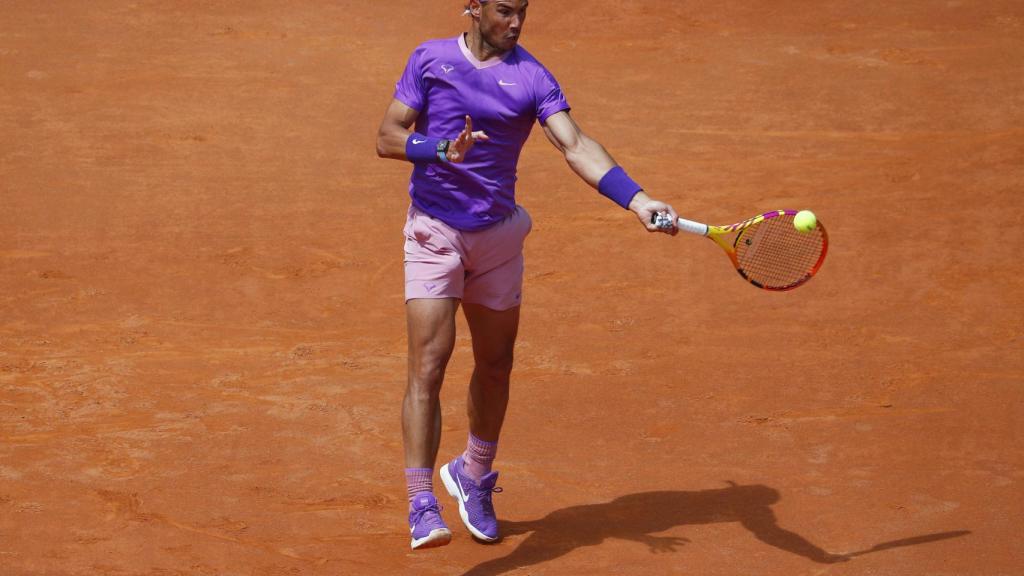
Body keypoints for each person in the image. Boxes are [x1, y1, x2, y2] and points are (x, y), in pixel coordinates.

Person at [375, 0, 679, 550]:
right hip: (435, 232)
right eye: (504, 11)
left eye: (522, 12)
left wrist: (636, 200)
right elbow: (388, 136)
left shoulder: (533, 77)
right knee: (429, 365)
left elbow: (575, 144)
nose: (515, 23)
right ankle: (421, 500)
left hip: (497, 238)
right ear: (473, 7)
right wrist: (441, 148)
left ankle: (473, 474)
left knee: (496, 365)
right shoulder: (430, 59)